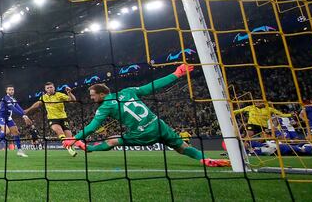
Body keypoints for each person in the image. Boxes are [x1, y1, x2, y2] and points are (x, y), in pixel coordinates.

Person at [63, 64, 230, 167]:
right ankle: (205, 159)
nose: (91, 99)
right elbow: (152, 86)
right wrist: (176, 74)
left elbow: (93, 126)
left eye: (93, 95)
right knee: (182, 147)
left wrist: (74, 138)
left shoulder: (105, 106)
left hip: (143, 132)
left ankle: (89, 149)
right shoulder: (128, 91)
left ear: (101, 94)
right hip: (158, 124)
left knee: (113, 140)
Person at [25, 82, 79, 156]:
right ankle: (69, 148)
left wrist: (69, 93)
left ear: (54, 88)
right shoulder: (44, 97)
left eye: (51, 87)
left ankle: (70, 146)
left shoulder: (60, 95)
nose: (50, 89)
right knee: (59, 131)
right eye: (48, 88)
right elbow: (37, 104)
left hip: (63, 118)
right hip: (53, 119)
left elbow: (73, 101)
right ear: (45, 89)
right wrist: (27, 110)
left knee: (69, 137)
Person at [0, 85, 32, 157]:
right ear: (6, 91)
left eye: (12, 90)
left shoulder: (13, 99)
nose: (11, 91)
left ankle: (19, 151)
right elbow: (12, 108)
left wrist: (25, 116)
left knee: (16, 133)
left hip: (8, 118)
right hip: (1, 116)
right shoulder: (6, 98)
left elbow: (19, 108)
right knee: (7, 131)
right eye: (9, 90)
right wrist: (23, 116)